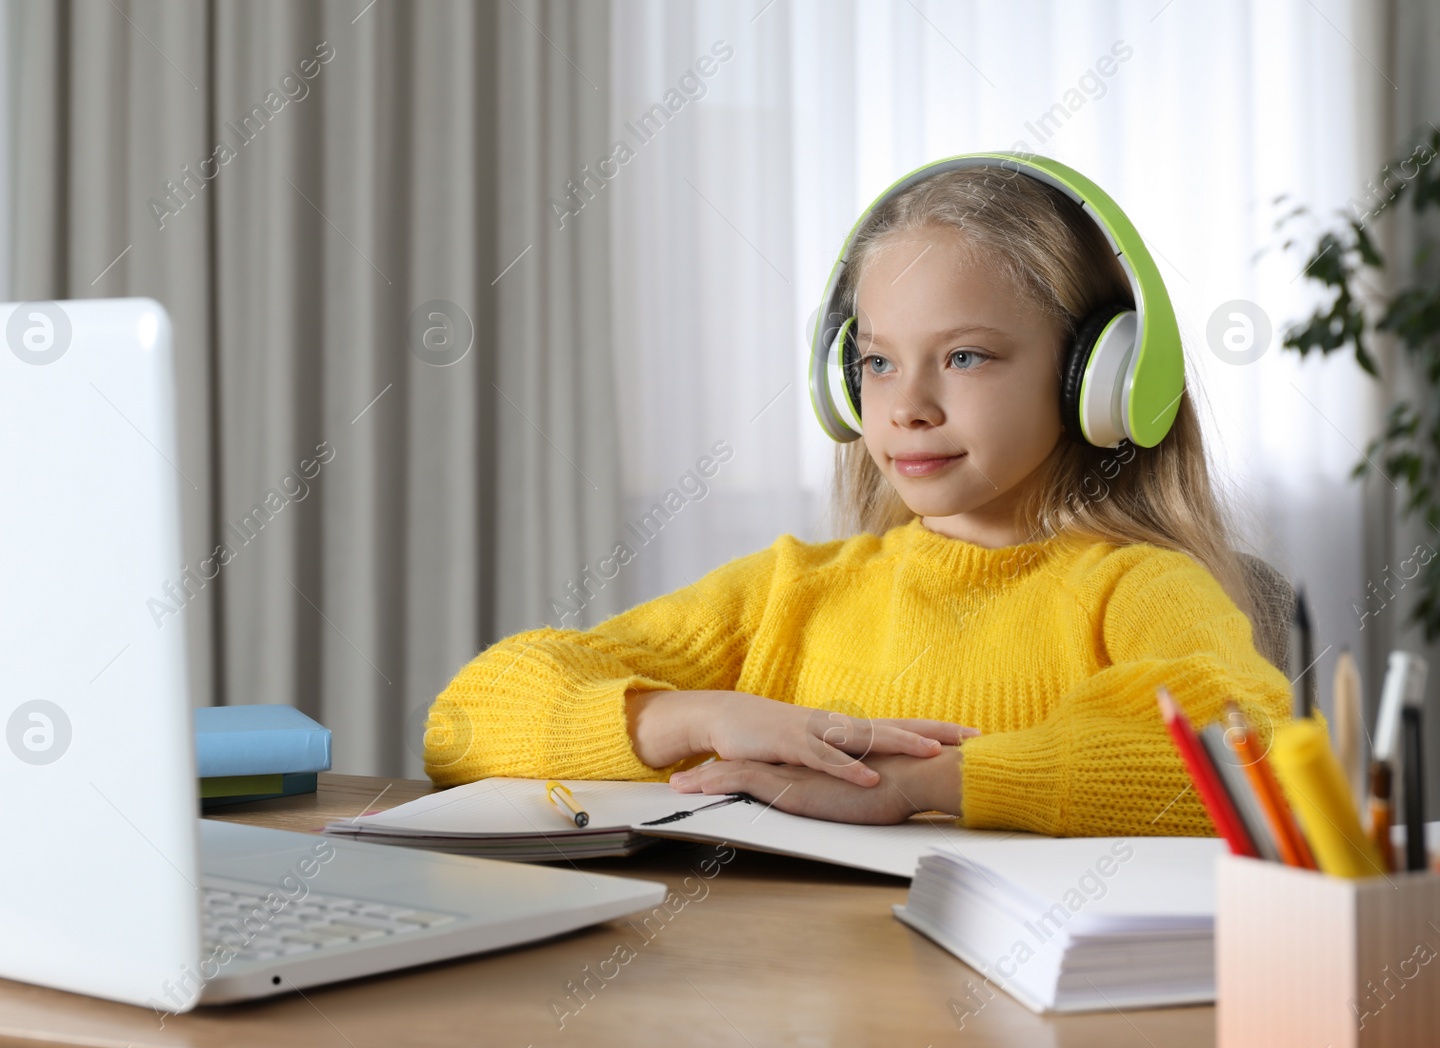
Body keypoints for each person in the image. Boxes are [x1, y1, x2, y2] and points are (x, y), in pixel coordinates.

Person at [421, 163, 1293, 837]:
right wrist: (697, 714)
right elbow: (464, 722)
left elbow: (1252, 755)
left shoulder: (1133, 589)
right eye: (877, 361)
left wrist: (926, 784)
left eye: (965, 357)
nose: (906, 402)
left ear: (1097, 376)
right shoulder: (790, 592)